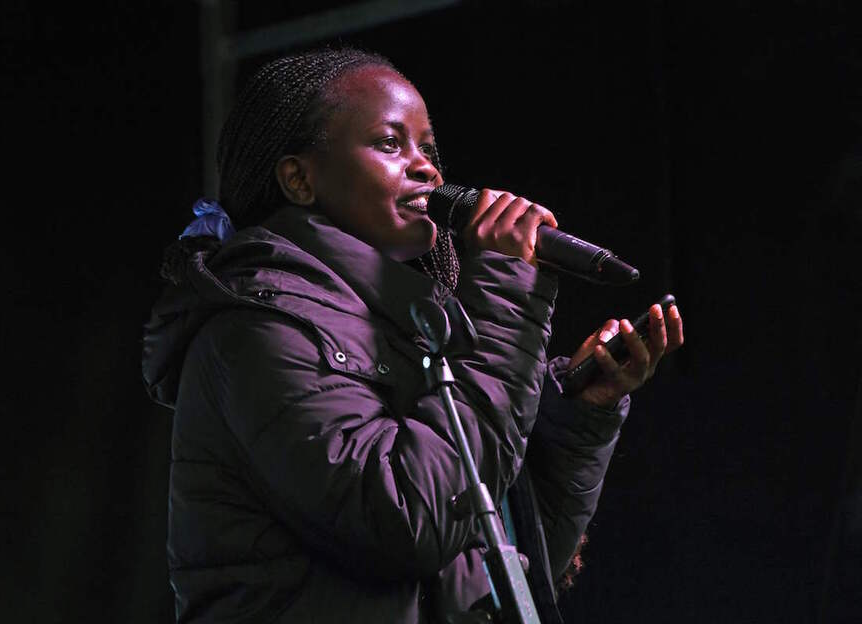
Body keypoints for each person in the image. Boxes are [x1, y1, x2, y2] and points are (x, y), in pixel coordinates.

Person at [142, 47, 683, 623]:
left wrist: (576, 420)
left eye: (428, 148)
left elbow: (502, 576)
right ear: (299, 178)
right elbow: (405, 521)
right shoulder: (255, 326)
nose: (426, 167)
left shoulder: (411, 331)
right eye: (389, 143)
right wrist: (506, 298)